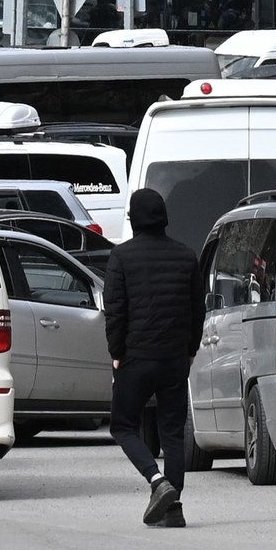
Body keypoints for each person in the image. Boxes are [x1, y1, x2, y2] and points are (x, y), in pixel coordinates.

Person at [101, 186, 200, 528]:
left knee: (123, 425)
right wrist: (190, 351)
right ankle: (174, 509)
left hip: (135, 358)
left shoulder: (121, 257)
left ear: (134, 219)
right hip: (174, 359)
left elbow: (114, 310)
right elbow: (197, 311)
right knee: (172, 432)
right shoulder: (187, 256)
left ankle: (157, 482)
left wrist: (116, 353)